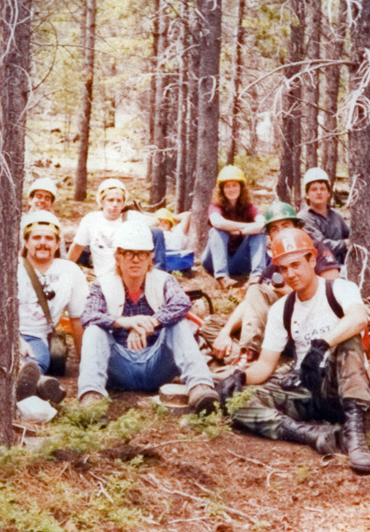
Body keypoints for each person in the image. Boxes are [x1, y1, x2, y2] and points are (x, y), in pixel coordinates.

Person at [218, 228, 370, 474]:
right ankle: (309, 433)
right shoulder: (282, 309)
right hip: (307, 389)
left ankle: (354, 433)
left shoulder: (339, 289)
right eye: (283, 269)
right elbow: (265, 365)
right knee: (239, 401)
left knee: (349, 340)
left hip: (343, 387)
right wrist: (240, 376)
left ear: (312, 260)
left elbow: (358, 319)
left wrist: (322, 345)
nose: (291, 274)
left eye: (296, 265)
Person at [77, 220, 218, 412]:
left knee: (178, 324)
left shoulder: (164, 280)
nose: (136, 260)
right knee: (94, 330)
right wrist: (125, 322)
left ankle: (200, 386)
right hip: (119, 365)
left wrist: (151, 321)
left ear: (150, 257)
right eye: (129, 253)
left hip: (157, 364)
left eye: (142, 254)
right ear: (118, 257)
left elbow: (182, 303)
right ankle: (91, 396)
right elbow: (89, 316)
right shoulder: (103, 284)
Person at [211, 202, 341, 367]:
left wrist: (290, 293)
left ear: (297, 227)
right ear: (270, 236)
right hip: (277, 330)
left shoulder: (314, 250)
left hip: (313, 328)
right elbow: (251, 303)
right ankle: (247, 354)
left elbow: (333, 293)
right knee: (211, 326)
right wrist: (225, 332)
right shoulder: (273, 267)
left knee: (256, 293)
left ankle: (248, 357)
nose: (281, 232)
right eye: (274, 229)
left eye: (285, 226)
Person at [17, 211, 87, 401]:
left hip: (36, 337)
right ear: (26, 242)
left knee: (38, 361)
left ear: (57, 244)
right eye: (36, 237)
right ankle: (40, 386)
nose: (43, 243)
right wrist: (14, 340)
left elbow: (77, 319)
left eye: (49, 238)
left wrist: (85, 365)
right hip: (5, 334)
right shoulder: (11, 267)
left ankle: (30, 383)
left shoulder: (70, 271)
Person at [202, 165, 267, 289]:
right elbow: (218, 223)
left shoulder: (249, 207)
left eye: (234, 185)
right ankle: (222, 277)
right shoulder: (215, 206)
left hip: (239, 260)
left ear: (241, 188)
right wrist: (248, 227)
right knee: (217, 231)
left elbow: (263, 225)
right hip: (214, 261)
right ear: (222, 189)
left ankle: (256, 276)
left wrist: (238, 232)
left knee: (259, 233)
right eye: (227, 186)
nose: (231, 189)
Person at [298, 167, 349, 266]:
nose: (319, 193)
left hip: (342, 264)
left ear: (328, 193)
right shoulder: (304, 218)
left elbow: (349, 234)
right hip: (320, 267)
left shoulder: (335, 215)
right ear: (307, 194)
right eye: (314, 189)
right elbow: (321, 246)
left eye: (322, 189)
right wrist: (346, 244)